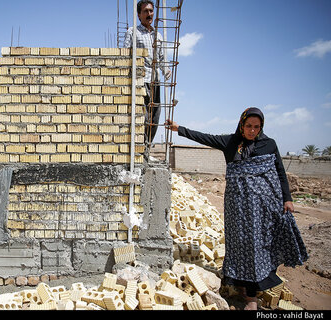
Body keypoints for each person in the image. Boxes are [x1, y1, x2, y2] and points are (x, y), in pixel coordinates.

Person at [166, 107, 308, 310]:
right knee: (239, 245)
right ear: (242, 124)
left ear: (261, 127)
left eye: (256, 127)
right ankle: (242, 286)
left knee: (257, 246)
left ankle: (252, 298)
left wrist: (287, 198)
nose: (252, 130)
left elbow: (280, 172)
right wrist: (179, 128)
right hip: (237, 208)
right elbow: (204, 137)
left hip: (263, 208)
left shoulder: (269, 145)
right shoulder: (231, 143)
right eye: (248, 126)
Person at [124, 0, 172, 145]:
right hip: (140, 80)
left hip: (155, 80)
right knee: (142, 116)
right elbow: (125, 54)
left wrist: (166, 69)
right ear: (139, 15)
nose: (149, 14)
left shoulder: (158, 35)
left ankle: (147, 147)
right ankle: (139, 147)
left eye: (151, 11)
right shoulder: (133, 32)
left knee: (154, 117)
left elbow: (162, 57)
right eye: (145, 11)